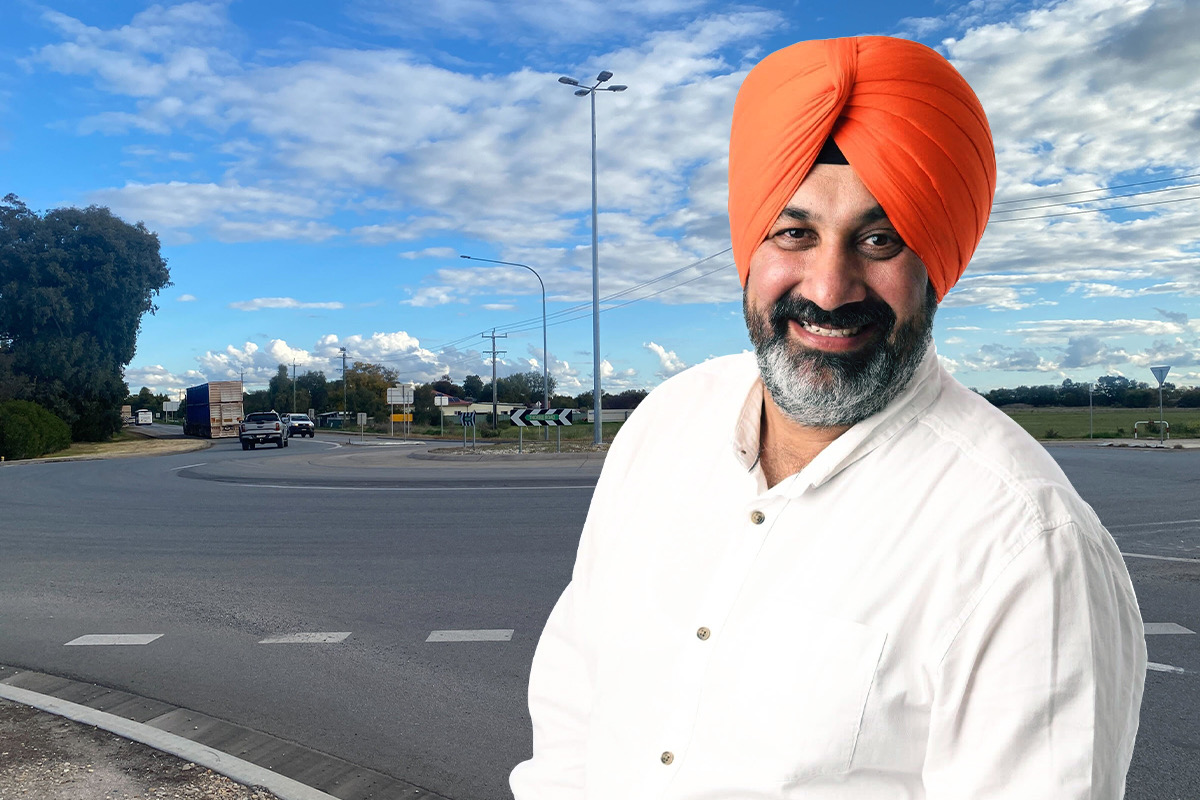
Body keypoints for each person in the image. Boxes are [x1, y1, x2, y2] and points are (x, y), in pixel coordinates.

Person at [510, 36, 1146, 799]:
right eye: (795, 232)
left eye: (879, 239)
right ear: (752, 247)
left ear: (936, 263)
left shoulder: (1025, 542)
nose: (830, 287)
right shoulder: (667, 422)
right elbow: (575, 701)